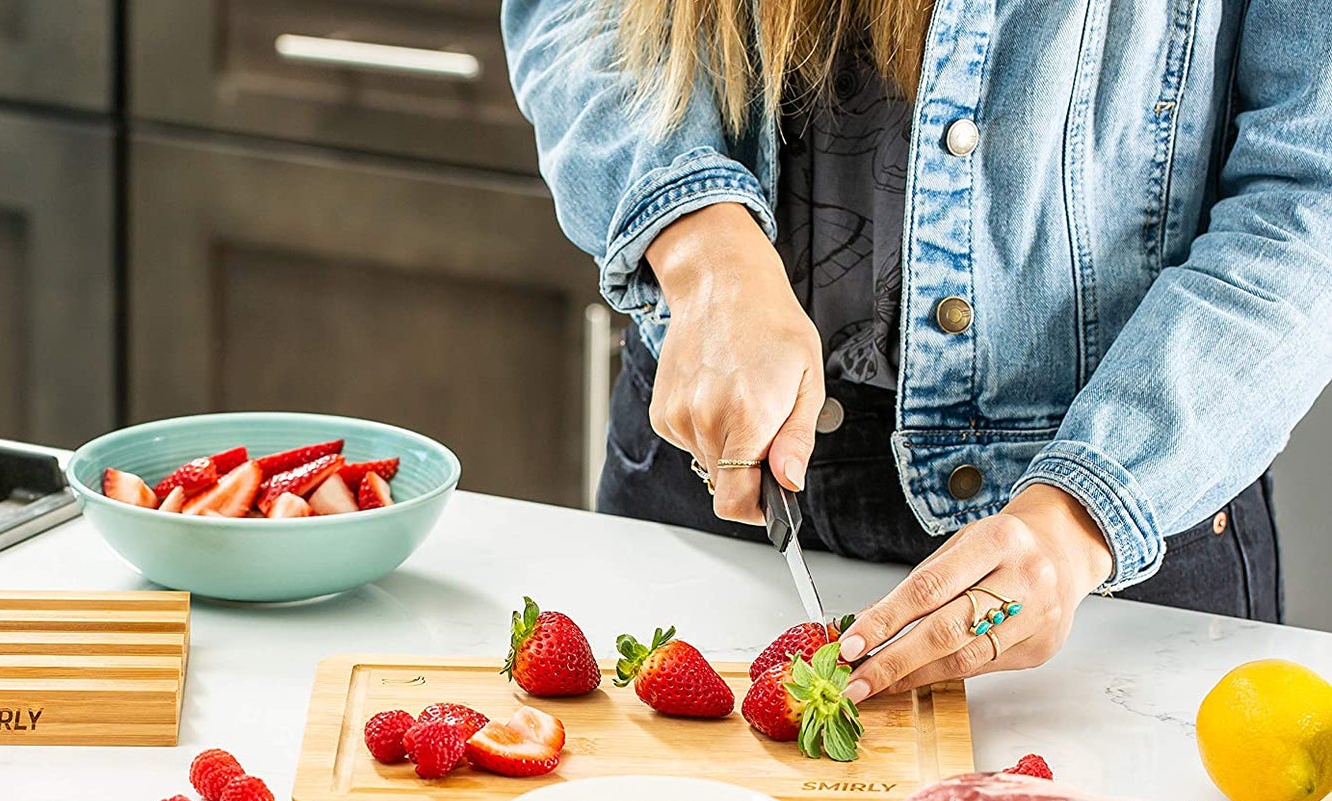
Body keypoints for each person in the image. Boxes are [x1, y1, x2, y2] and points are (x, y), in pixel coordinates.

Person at [503, 1, 1332, 703]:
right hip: (712, 469)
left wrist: (1081, 519)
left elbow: (1310, 194)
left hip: (1107, 536)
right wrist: (702, 249)